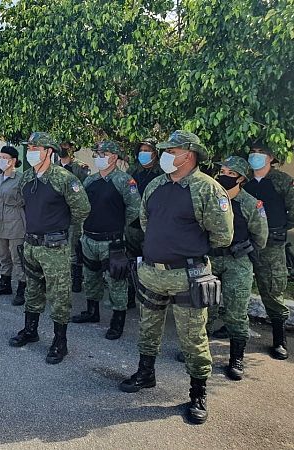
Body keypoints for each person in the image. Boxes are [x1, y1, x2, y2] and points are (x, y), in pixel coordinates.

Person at [119, 130, 233, 425]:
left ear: (189, 155)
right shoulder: (156, 185)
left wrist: (187, 247)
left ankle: (197, 393)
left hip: (188, 276)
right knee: (148, 328)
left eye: (171, 151)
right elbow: (146, 222)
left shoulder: (207, 189)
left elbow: (222, 235)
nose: (165, 156)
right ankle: (146, 373)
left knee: (193, 338)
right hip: (152, 273)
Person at [9, 132, 90, 364]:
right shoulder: (27, 177)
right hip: (31, 244)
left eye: (36, 148)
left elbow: (82, 210)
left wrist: (63, 230)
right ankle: (30, 330)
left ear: (49, 152)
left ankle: (59, 341)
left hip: (55, 247)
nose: (31, 152)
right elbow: (24, 204)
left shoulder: (63, 178)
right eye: (30, 148)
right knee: (32, 290)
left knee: (59, 295)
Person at [206, 156, 268, 380]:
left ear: (241, 179)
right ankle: (198, 353)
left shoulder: (251, 204)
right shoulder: (210, 198)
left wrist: (242, 250)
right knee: (205, 307)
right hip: (211, 259)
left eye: (230, 173)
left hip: (238, 262)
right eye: (222, 171)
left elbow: (261, 237)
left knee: (236, 312)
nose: (224, 176)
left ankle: (236, 359)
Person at [71, 141, 141, 340]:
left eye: (103, 154)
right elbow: (82, 206)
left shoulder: (124, 181)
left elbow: (135, 208)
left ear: (114, 157)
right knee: (90, 277)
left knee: (116, 281)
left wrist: (117, 224)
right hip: (89, 237)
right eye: (97, 153)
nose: (99, 157)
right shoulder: (90, 180)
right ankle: (92, 311)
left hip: (112, 241)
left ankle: (117, 322)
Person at [244, 142, 294, 360]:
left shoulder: (282, 180)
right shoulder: (244, 180)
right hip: (246, 242)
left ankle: (279, 339)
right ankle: (234, 326)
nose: (255, 156)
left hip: (271, 245)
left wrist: (278, 229)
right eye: (252, 152)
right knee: (239, 287)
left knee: (273, 290)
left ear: (271, 157)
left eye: (261, 152)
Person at [125, 139, 163, 307]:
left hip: (152, 227)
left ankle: (149, 298)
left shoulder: (162, 173)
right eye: (141, 150)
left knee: (150, 264)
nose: (143, 154)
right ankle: (130, 295)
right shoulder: (133, 170)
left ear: (155, 153)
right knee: (131, 262)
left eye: (147, 151)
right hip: (131, 226)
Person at [0, 146, 26, 305]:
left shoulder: (21, 179)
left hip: (15, 220)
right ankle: (5, 283)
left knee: (17, 257)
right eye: (0, 157)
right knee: (3, 255)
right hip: (0, 220)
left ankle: (22, 288)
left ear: (13, 161)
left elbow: (26, 201)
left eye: (5, 158)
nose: (1, 160)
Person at [58, 141, 90, 293]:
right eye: (60, 145)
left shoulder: (80, 167)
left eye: (65, 146)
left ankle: (76, 279)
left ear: (72, 148)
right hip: (58, 214)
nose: (62, 149)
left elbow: (85, 190)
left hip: (74, 215)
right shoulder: (55, 166)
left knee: (74, 247)